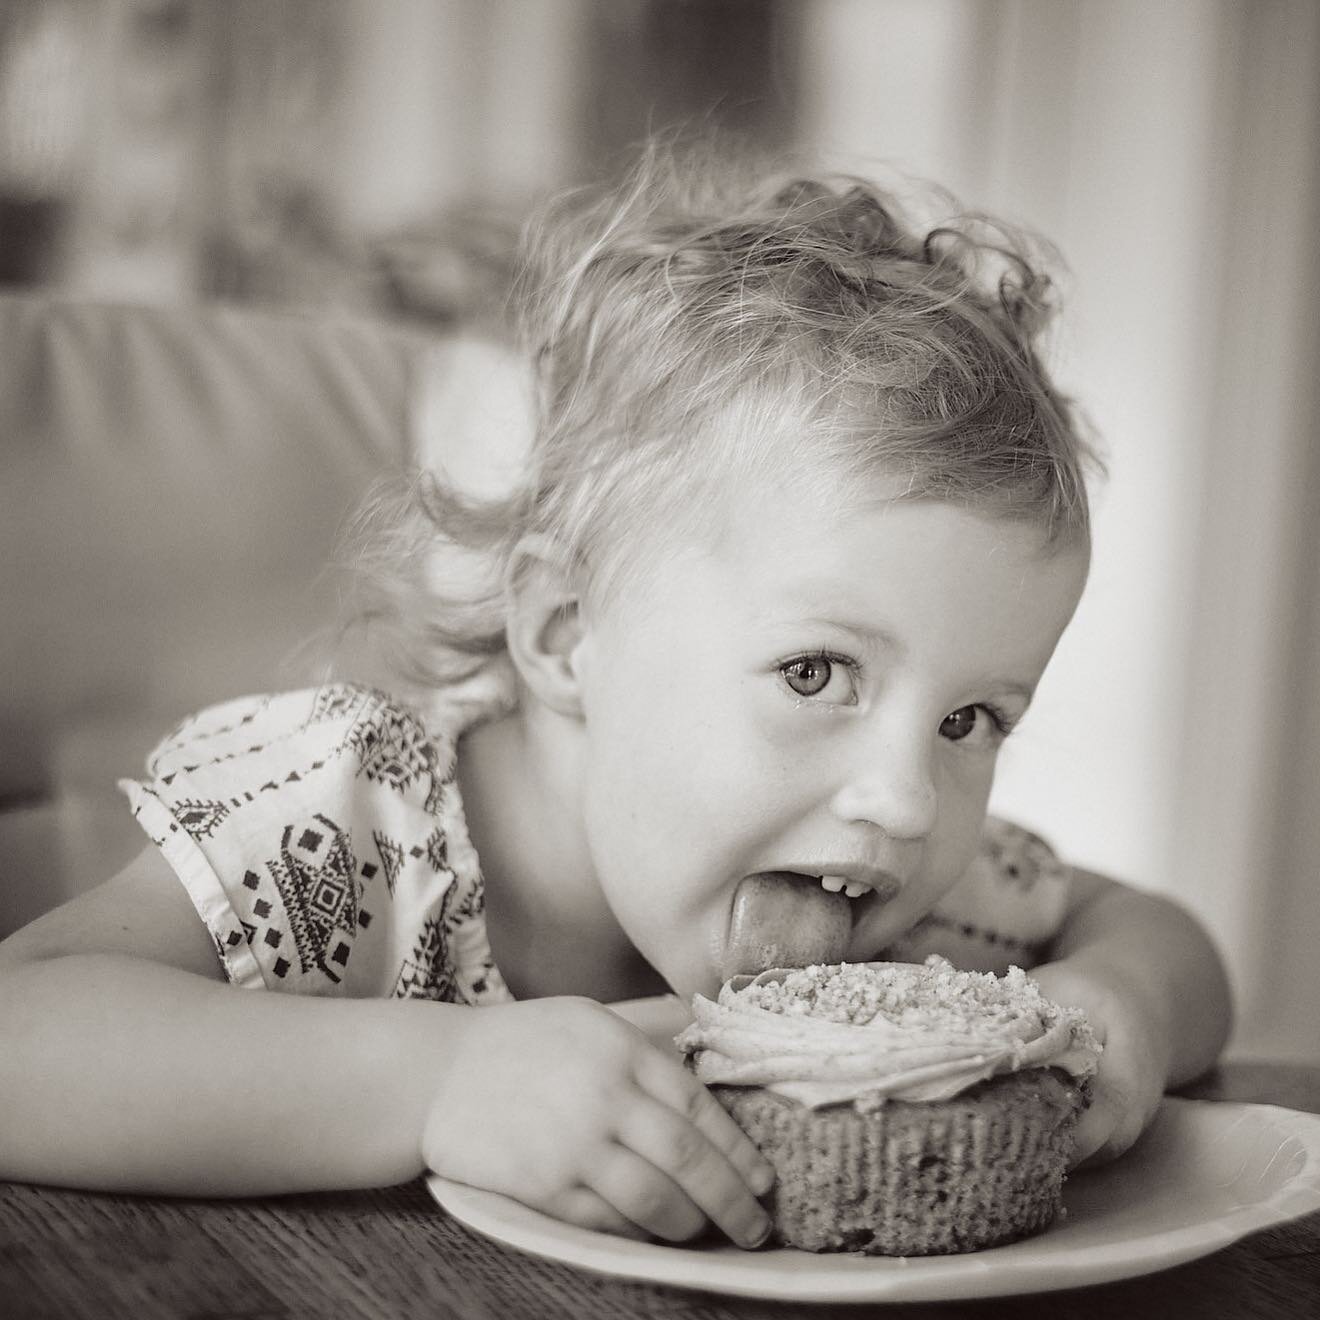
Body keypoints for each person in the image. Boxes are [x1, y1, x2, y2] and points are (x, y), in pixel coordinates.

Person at [0, 145, 1232, 1250]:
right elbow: (22, 1036)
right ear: (566, 633)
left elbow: (1170, 945)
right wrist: (438, 1083)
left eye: (973, 720)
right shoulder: (353, 824)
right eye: (816, 673)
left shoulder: (898, 893)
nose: (908, 799)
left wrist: (1117, 1011)